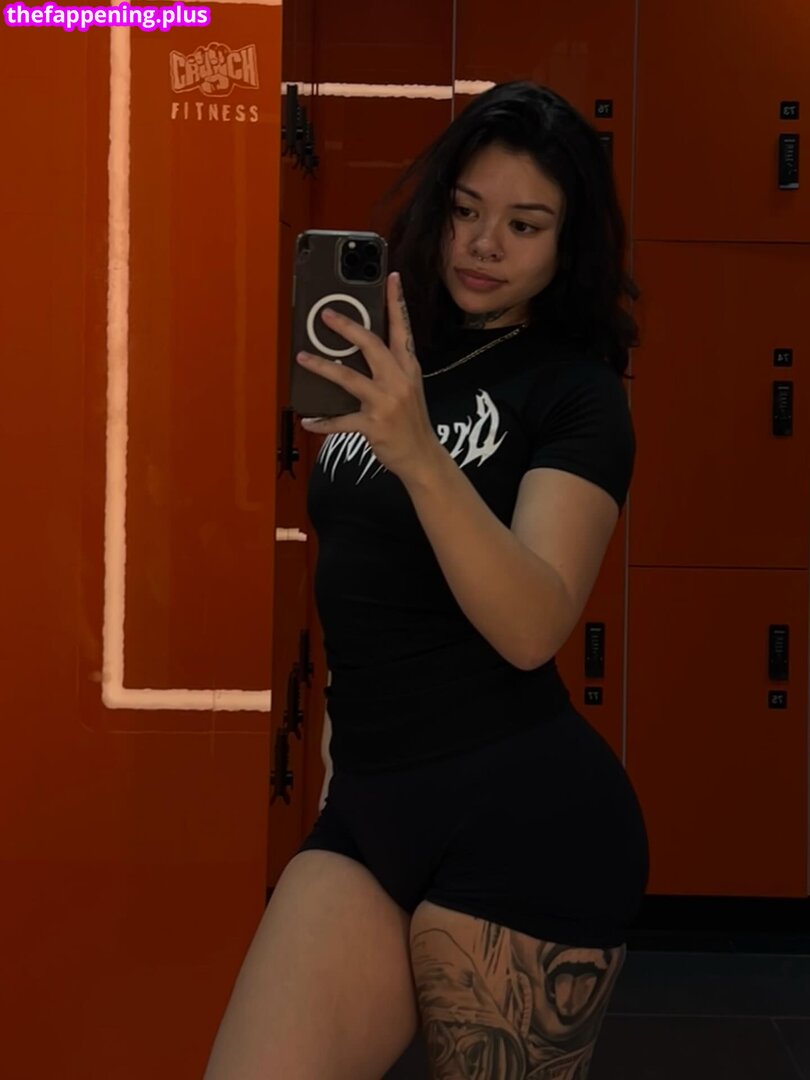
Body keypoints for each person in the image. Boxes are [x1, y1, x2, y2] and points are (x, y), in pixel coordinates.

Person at [205, 81, 650, 1080]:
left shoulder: (576, 394)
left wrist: (416, 452)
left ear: (567, 244)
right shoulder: (401, 361)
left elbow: (533, 625)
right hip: (369, 809)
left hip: (522, 825)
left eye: (524, 225)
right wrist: (335, 750)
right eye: (465, 210)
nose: (483, 245)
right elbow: (360, 578)